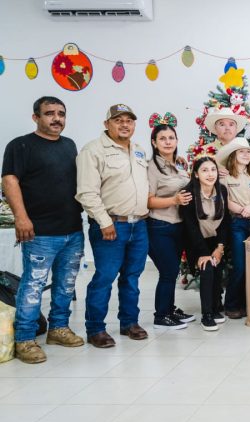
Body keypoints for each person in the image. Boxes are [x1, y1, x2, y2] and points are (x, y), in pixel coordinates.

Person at [2, 96, 84, 363]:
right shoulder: (21, 145)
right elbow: (9, 180)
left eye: (61, 113)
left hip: (72, 229)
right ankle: (25, 339)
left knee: (65, 284)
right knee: (33, 285)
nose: (56, 118)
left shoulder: (69, 145)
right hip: (39, 232)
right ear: (36, 117)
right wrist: (21, 218)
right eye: (50, 113)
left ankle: (58, 328)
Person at [75, 104, 150, 348]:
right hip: (110, 225)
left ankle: (129, 323)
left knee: (131, 277)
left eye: (129, 120)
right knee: (105, 277)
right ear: (107, 124)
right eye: (118, 120)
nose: (125, 124)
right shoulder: (93, 151)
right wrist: (104, 222)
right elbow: (87, 192)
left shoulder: (138, 151)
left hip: (138, 225)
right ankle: (95, 328)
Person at [145, 112, 193, 330]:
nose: (167, 142)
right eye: (162, 138)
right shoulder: (151, 168)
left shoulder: (180, 164)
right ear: (154, 142)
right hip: (159, 226)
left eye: (171, 138)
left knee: (172, 271)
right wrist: (173, 199)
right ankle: (160, 316)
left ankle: (170, 309)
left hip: (179, 225)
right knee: (168, 271)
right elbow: (148, 201)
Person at [215, 137, 250, 319]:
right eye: (241, 151)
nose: (246, 154)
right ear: (233, 155)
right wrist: (247, 212)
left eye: (248, 152)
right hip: (237, 223)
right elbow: (225, 201)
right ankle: (231, 305)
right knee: (239, 266)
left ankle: (249, 302)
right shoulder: (226, 177)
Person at [180, 156, 231, 331]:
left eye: (213, 169)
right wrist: (203, 253)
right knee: (207, 268)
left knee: (218, 268)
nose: (210, 174)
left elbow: (225, 221)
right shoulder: (188, 193)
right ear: (195, 174)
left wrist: (220, 247)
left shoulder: (222, 190)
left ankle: (216, 307)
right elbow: (190, 226)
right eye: (204, 170)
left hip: (216, 240)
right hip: (196, 241)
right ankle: (207, 315)